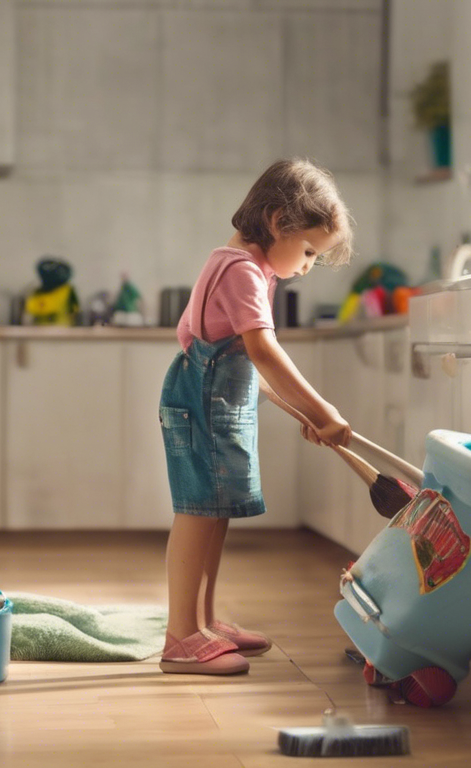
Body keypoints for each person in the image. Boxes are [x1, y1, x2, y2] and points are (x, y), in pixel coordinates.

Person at [159, 158, 355, 675]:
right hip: (201, 399)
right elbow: (262, 351)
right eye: (310, 250)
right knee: (199, 511)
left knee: (214, 509)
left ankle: (202, 621)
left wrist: (301, 414)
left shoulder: (246, 268)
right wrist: (324, 409)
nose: (309, 266)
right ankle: (180, 636)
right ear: (277, 222)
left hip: (215, 397)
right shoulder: (243, 271)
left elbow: (250, 371)